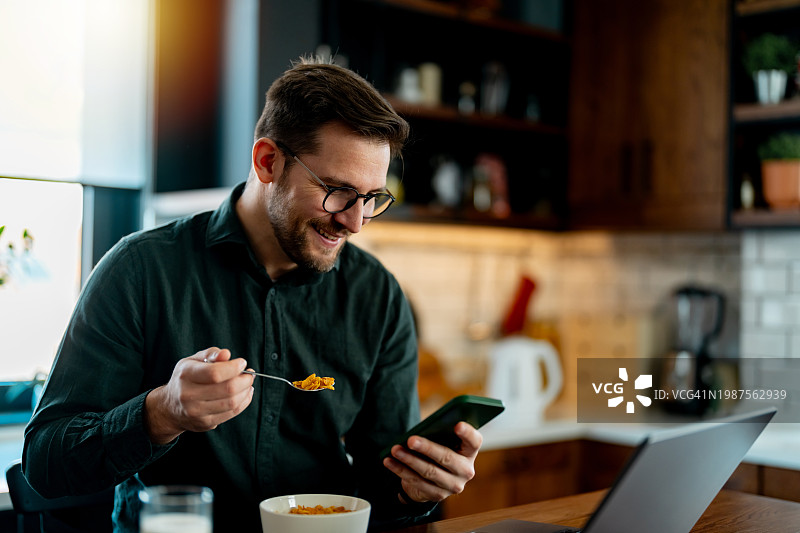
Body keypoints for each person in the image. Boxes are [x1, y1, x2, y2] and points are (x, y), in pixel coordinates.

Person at [22, 57, 484, 532]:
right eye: (338, 191)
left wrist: (414, 486)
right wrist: (163, 412)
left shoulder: (378, 296)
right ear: (268, 162)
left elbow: (381, 480)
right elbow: (44, 462)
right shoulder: (142, 270)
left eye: (372, 198)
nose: (354, 221)